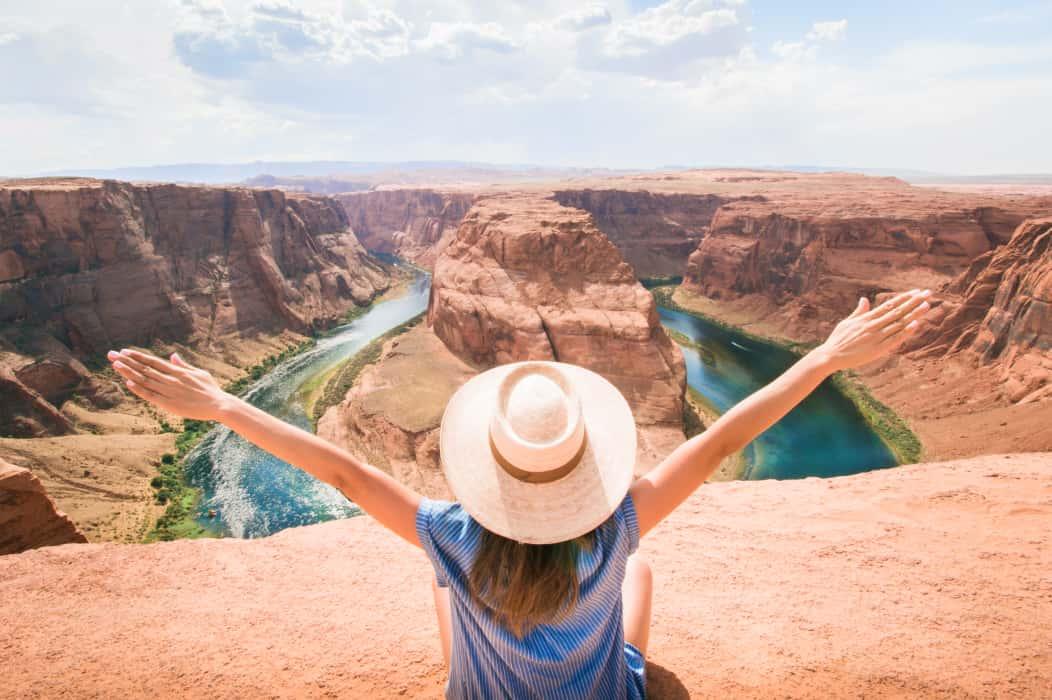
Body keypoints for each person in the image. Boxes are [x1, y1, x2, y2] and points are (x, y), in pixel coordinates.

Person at [108, 289, 932, 698]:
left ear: (489, 468)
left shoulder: (451, 536)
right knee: (638, 577)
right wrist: (823, 359)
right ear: (584, 468)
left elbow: (343, 472)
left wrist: (219, 405)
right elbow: (726, 437)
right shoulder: (620, 528)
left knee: (445, 588)